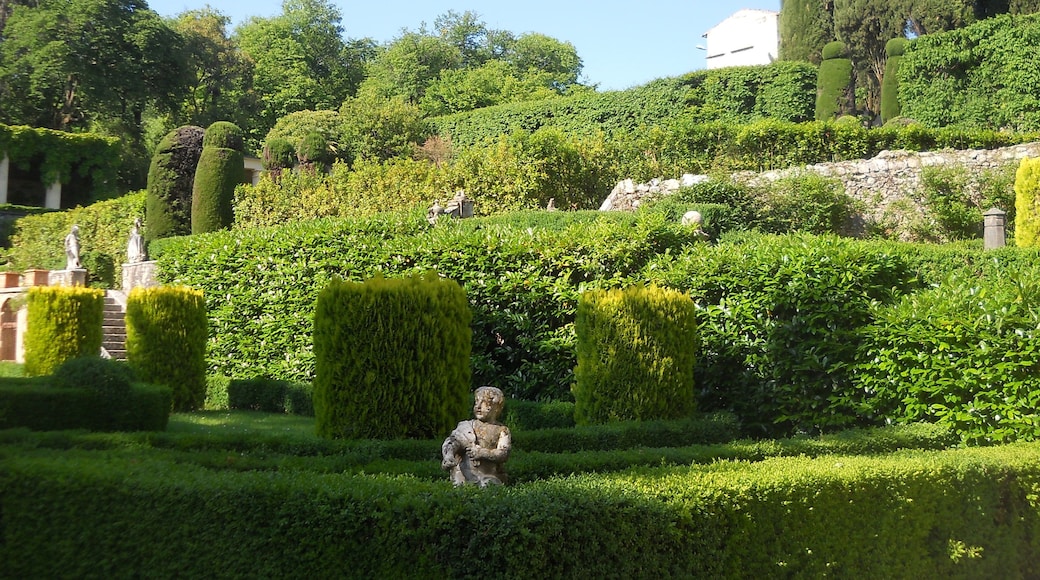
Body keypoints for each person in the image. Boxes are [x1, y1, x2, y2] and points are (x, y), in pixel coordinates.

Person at [441, 386, 511, 487]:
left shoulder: (502, 430)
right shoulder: (466, 426)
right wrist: (448, 455)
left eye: (484, 403)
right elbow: (453, 441)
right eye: (476, 401)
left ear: (496, 407)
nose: (478, 406)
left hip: (489, 476)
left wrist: (482, 452)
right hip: (463, 475)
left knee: (489, 487)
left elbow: (503, 453)